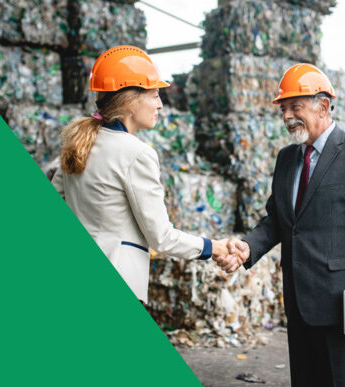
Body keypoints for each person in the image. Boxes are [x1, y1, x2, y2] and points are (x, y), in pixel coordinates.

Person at [217, 64, 345, 387]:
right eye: (284, 109)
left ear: (323, 106)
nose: (288, 117)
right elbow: (277, 220)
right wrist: (247, 247)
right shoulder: (287, 159)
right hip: (298, 301)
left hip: (341, 304)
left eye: (295, 107)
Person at [51, 45, 235, 302]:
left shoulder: (78, 143)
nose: (160, 105)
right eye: (155, 95)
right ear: (130, 101)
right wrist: (212, 247)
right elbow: (161, 238)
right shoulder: (137, 153)